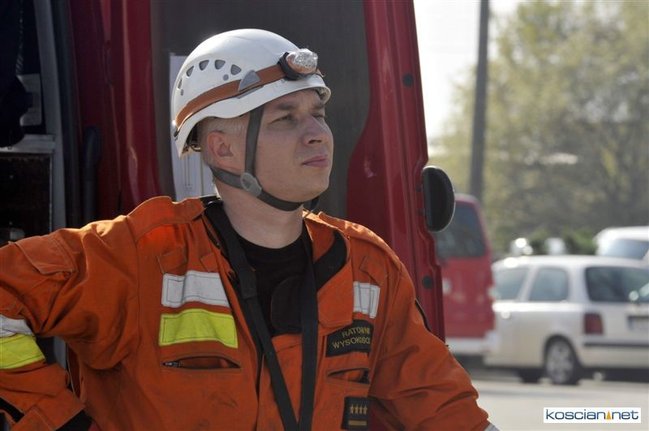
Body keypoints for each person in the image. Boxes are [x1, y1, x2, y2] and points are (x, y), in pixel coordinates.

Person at [0, 29, 496, 430]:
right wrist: (59, 423)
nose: (317, 133)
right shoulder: (142, 255)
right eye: (286, 118)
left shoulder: (367, 271)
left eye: (317, 114)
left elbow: (443, 410)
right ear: (222, 149)